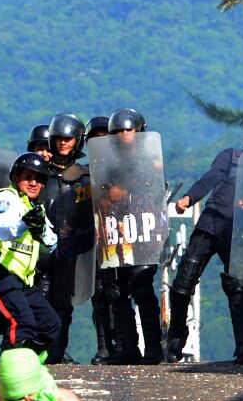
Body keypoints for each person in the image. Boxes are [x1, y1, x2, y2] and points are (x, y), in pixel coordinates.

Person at [167, 107, 243, 365]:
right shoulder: (231, 156)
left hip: (242, 232)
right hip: (211, 223)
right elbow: (209, 179)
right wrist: (188, 198)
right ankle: (176, 337)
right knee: (182, 284)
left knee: (236, 287)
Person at [0, 153, 61, 359]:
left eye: (39, 178)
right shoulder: (4, 198)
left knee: (49, 325)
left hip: (20, 279)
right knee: (21, 324)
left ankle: (22, 373)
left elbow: (52, 241)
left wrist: (43, 229)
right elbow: (3, 230)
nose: (33, 182)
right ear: (16, 177)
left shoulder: (33, 208)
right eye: (28, 177)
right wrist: (25, 223)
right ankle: (10, 386)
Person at [99, 108, 165, 365]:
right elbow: (100, 189)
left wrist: (125, 192)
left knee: (142, 287)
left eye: (129, 129)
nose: (124, 134)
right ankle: (129, 347)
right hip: (115, 233)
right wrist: (107, 191)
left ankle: (153, 349)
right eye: (119, 131)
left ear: (139, 131)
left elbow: (155, 190)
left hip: (143, 230)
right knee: (115, 291)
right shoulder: (106, 161)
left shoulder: (151, 159)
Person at [42, 113, 89, 364]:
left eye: (68, 139)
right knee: (38, 297)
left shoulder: (84, 176)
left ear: (77, 141)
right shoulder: (40, 171)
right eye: (58, 138)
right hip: (39, 247)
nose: (63, 143)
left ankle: (56, 351)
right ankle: (37, 350)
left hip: (70, 247)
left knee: (62, 302)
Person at [84, 116, 116, 364]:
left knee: (122, 294)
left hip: (123, 240)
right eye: (95, 140)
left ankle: (128, 346)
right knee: (99, 294)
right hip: (94, 242)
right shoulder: (83, 174)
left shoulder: (126, 170)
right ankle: (104, 346)